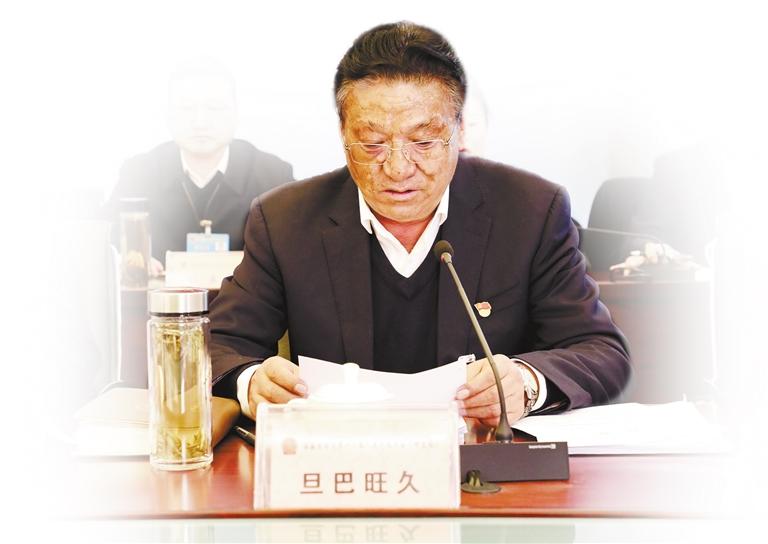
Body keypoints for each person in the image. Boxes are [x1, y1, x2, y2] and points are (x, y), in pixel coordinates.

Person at [210, 22, 630, 428]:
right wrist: (251, 383)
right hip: (340, 457)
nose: (397, 168)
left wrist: (525, 382)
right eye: (372, 143)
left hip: (479, 461)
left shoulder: (530, 210)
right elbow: (219, 344)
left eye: (424, 142)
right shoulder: (285, 220)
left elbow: (600, 350)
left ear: (459, 131)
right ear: (343, 134)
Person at [103, 61, 294, 271]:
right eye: (186, 108)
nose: (200, 122)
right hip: (159, 292)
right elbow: (105, 237)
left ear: (236, 115)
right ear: (168, 116)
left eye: (215, 108)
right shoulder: (139, 173)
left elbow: (301, 241)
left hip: (246, 292)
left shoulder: (273, 176)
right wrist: (129, 258)